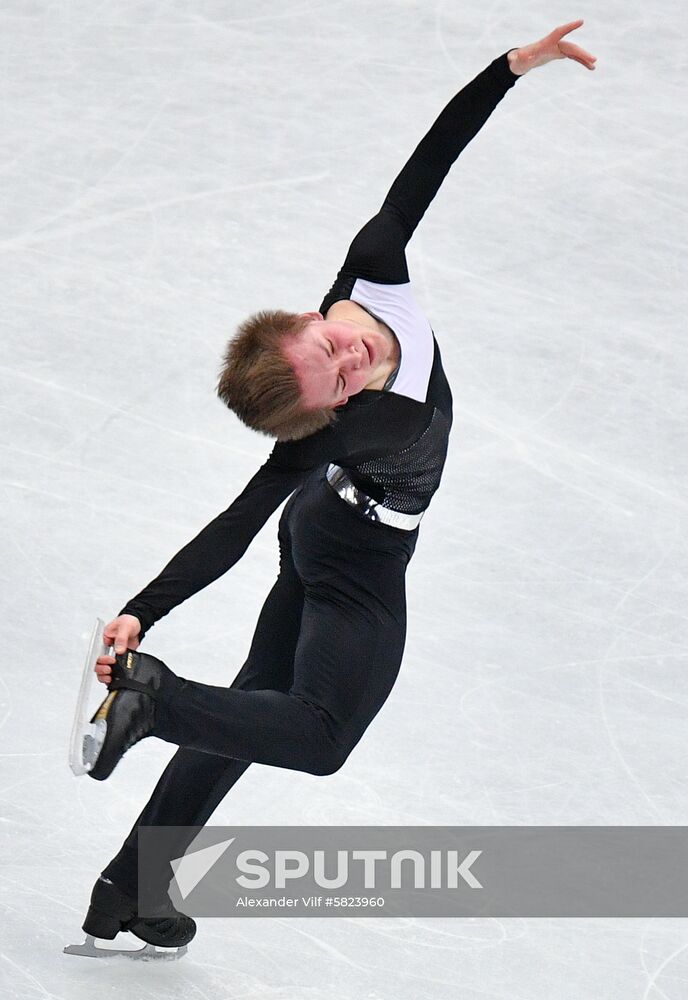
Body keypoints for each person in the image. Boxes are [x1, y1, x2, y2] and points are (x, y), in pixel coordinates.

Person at [77, 21, 597, 953]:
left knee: (257, 711)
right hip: (357, 552)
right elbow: (237, 522)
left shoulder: (372, 265)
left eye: (333, 350)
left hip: (325, 529)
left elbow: (428, 161)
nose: (354, 360)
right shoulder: (327, 433)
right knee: (316, 737)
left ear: (307, 316)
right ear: (328, 415)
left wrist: (512, 68)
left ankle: (130, 890)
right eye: (342, 386)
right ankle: (154, 704)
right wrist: (141, 613)